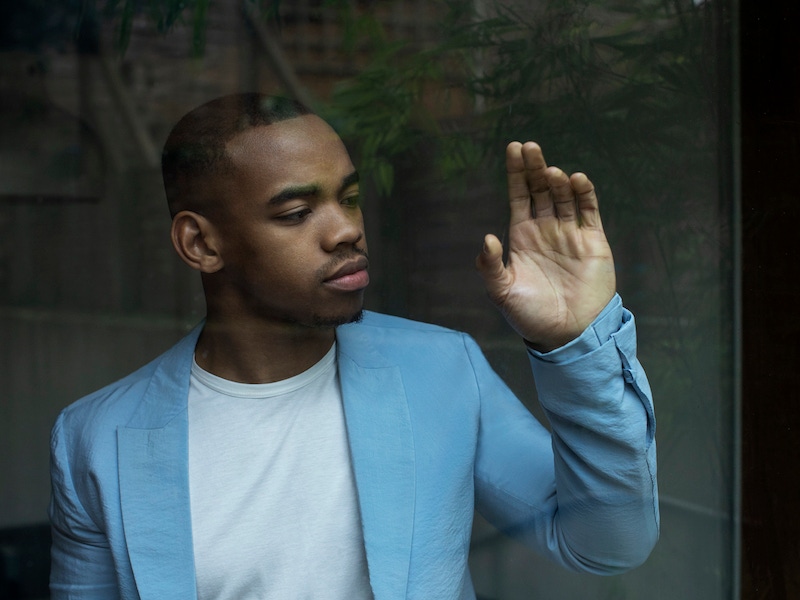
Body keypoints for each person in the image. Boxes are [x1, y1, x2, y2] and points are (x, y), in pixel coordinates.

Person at [48, 93, 658, 599]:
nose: (346, 229)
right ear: (200, 244)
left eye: (349, 196)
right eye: (295, 212)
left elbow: (606, 543)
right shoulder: (96, 440)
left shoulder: (442, 370)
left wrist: (578, 341)